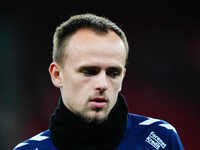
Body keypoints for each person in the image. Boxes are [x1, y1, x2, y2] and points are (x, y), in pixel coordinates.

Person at [13, 13, 184, 150]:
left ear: (123, 77)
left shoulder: (160, 138)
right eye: (89, 71)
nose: (102, 84)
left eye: (113, 72)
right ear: (57, 75)